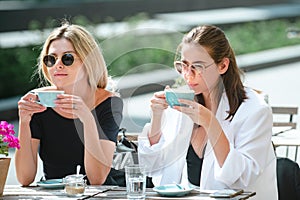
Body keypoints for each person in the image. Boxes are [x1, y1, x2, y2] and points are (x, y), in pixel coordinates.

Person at [138, 25, 278, 199]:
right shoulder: (184, 101)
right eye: (184, 65)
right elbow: (152, 167)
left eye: (198, 66)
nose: (188, 75)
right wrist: (157, 118)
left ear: (223, 65)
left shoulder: (255, 110)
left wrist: (210, 123)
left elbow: (242, 178)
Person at [15, 21, 123, 186]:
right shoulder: (38, 102)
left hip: (99, 194)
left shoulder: (109, 102)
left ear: (88, 61)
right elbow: (25, 178)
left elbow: (97, 179)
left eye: (67, 58)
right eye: (51, 59)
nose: (57, 65)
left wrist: (87, 119)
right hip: (53, 195)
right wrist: (24, 121)